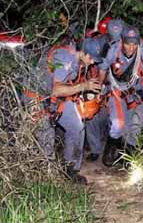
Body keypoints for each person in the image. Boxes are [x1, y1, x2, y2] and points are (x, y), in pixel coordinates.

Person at [99, 25, 143, 167]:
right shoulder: (112, 50)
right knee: (118, 125)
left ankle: (127, 156)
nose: (131, 48)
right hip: (117, 91)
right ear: (122, 41)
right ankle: (110, 149)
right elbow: (102, 70)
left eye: (134, 44)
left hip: (139, 93)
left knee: (135, 127)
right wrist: (100, 88)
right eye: (128, 44)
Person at [48, 38, 103, 184]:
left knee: (77, 127)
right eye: (90, 58)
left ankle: (71, 170)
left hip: (58, 100)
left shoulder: (78, 61)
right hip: (39, 100)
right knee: (45, 144)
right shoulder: (64, 58)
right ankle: (45, 180)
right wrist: (84, 86)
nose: (92, 62)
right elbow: (55, 90)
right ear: (82, 52)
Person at [81, 19, 126, 162]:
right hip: (92, 84)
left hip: (109, 86)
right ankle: (95, 149)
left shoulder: (116, 48)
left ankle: (112, 148)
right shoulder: (90, 44)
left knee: (113, 119)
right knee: (91, 116)